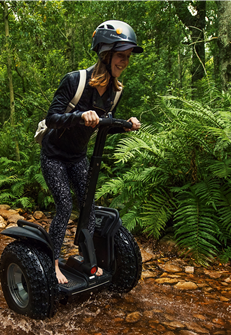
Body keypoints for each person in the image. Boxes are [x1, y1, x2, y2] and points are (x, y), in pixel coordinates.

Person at [40, 20, 142, 284]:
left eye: (128, 57)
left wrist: (126, 125)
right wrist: (79, 116)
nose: (125, 62)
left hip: (78, 157)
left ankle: (88, 260)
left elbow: (104, 125)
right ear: (106, 54)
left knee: (89, 207)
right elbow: (52, 118)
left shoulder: (115, 92)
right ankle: (53, 264)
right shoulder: (75, 81)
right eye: (121, 55)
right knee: (65, 205)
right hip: (54, 155)